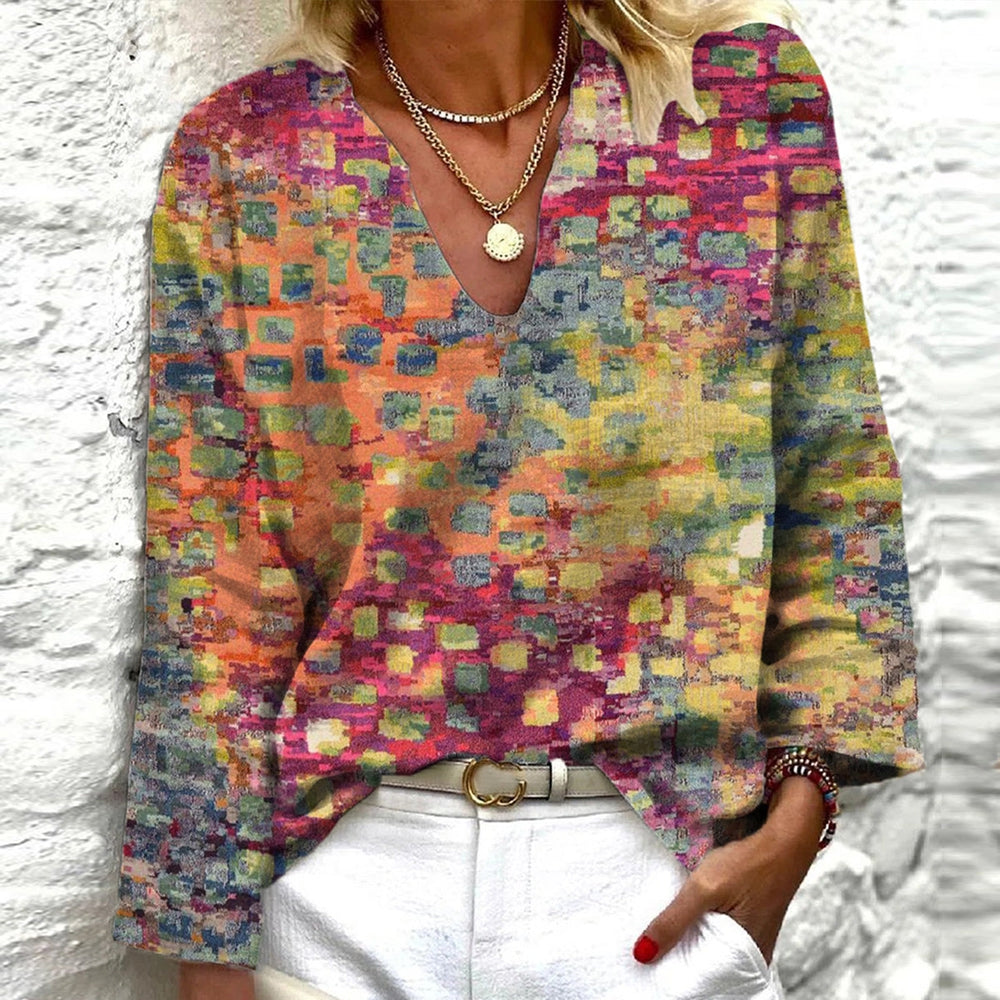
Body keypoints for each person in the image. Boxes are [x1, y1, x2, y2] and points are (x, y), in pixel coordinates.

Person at [111, 1, 925, 998]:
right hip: (344, 898)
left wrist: (800, 811)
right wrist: (211, 956)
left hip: (653, 890)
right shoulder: (250, 154)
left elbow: (833, 478)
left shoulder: (739, 105)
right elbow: (217, 592)